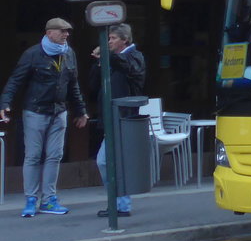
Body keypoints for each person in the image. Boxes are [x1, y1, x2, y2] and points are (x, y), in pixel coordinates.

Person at [0, 18, 88, 218]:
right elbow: (15, 80)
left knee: (54, 156)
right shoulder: (33, 53)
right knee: (33, 156)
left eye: (67, 31)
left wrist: (81, 110)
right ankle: (31, 199)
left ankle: (48, 199)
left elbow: (73, 85)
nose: (66, 34)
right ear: (49, 33)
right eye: (62, 31)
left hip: (59, 112)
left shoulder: (68, 53)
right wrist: (5, 103)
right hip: (35, 111)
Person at [90, 23, 146, 218]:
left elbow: (128, 68)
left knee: (108, 161)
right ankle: (119, 203)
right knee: (109, 162)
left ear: (124, 40)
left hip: (124, 118)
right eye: (108, 39)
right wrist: (99, 64)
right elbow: (93, 86)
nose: (109, 42)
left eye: (112, 38)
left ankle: (121, 203)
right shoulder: (112, 59)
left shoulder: (134, 57)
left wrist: (108, 55)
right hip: (111, 117)